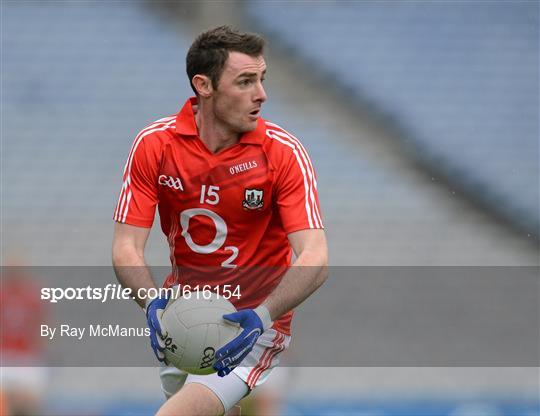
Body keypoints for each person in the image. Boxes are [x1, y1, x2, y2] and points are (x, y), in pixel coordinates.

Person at [112, 25, 328, 416]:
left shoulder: (283, 154)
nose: (261, 94)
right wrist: (151, 304)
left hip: (252, 329)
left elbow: (315, 257)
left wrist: (262, 319)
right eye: (245, 81)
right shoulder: (155, 145)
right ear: (204, 85)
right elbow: (126, 246)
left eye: (262, 79)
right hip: (185, 323)